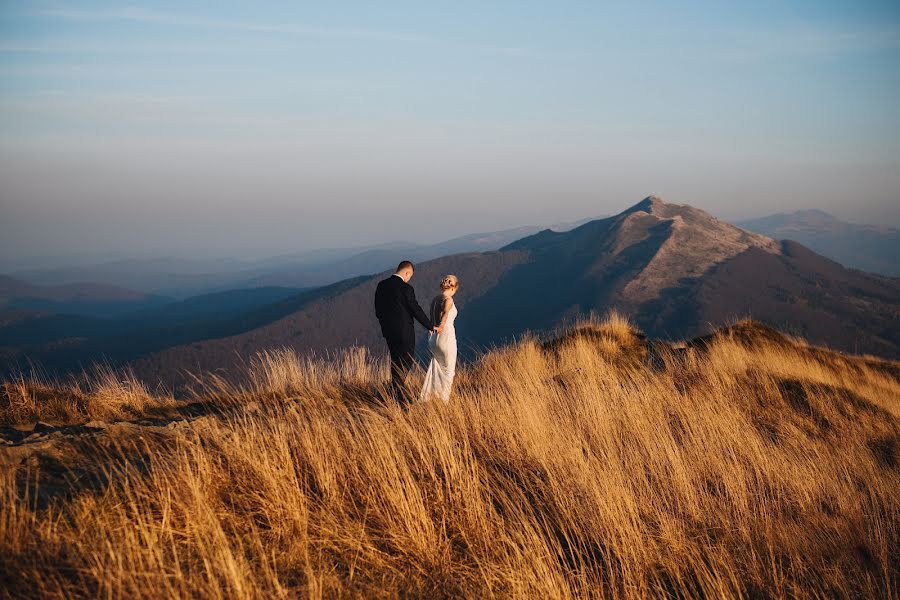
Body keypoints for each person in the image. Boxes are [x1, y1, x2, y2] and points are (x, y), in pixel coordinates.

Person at [374, 261, 438, 404]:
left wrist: (385, 325)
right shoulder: (406, 288)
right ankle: (398, 395)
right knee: (406, 361)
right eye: (410, 276)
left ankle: (393, 393)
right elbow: (415, 310)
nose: (409, 279)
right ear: (407, 272)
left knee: (395, 361)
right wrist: (430, 326)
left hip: (389, 332)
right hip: (404, 332)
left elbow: (378, 310)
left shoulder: (381, 285)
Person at [419, 275, 459, 403]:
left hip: (433, 338)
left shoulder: (435, 300)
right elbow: (446, 312)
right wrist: (441, 326)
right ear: (453, 288)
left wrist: (434, 329)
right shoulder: (449, 299)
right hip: (445, 336)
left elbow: (432, 318)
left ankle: (431, 397)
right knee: (448, 372)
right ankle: (442, 402)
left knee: (437, 368)